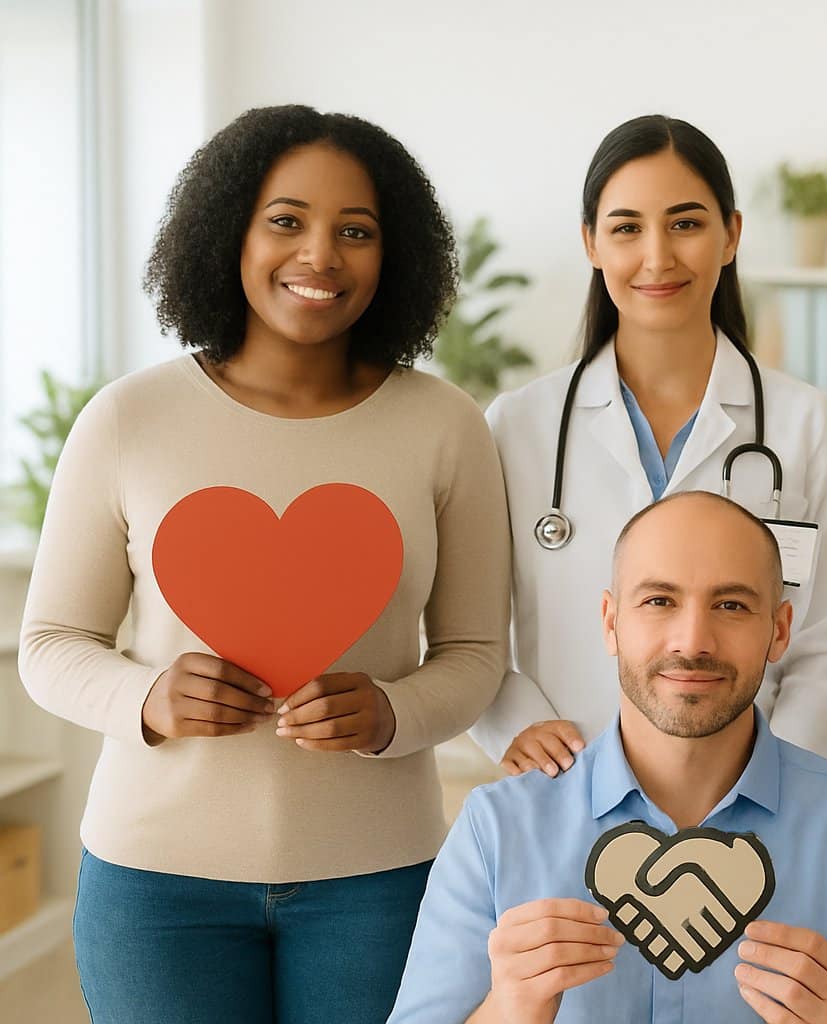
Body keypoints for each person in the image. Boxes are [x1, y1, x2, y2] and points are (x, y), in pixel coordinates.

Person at [18, 105, 511, 1024]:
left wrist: (392, 712)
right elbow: (51, 643)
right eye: (286, 220)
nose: (319, 255)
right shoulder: (128, 420)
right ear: (228, 233)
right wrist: (147, 699)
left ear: (392, 255)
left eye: (355, 231)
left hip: (378, 882)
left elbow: (478, 653)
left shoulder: (446, 426)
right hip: (155, 888)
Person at [389, 490, 827, 1023]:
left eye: (731, 605)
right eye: (659, 601)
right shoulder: (496, 829)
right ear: (611, 623)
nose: (692, 640)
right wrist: (508, 1012)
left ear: (779, 632)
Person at [468, 115, 827, 777]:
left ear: (731, 235)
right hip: (568, 786)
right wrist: (515, 723)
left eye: (685, 223)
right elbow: (470, 637)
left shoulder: (806, 425)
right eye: (626, 228)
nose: (657, 257)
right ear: (591, 242)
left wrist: (781, 784)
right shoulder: (520, 425)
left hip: (755, 800)